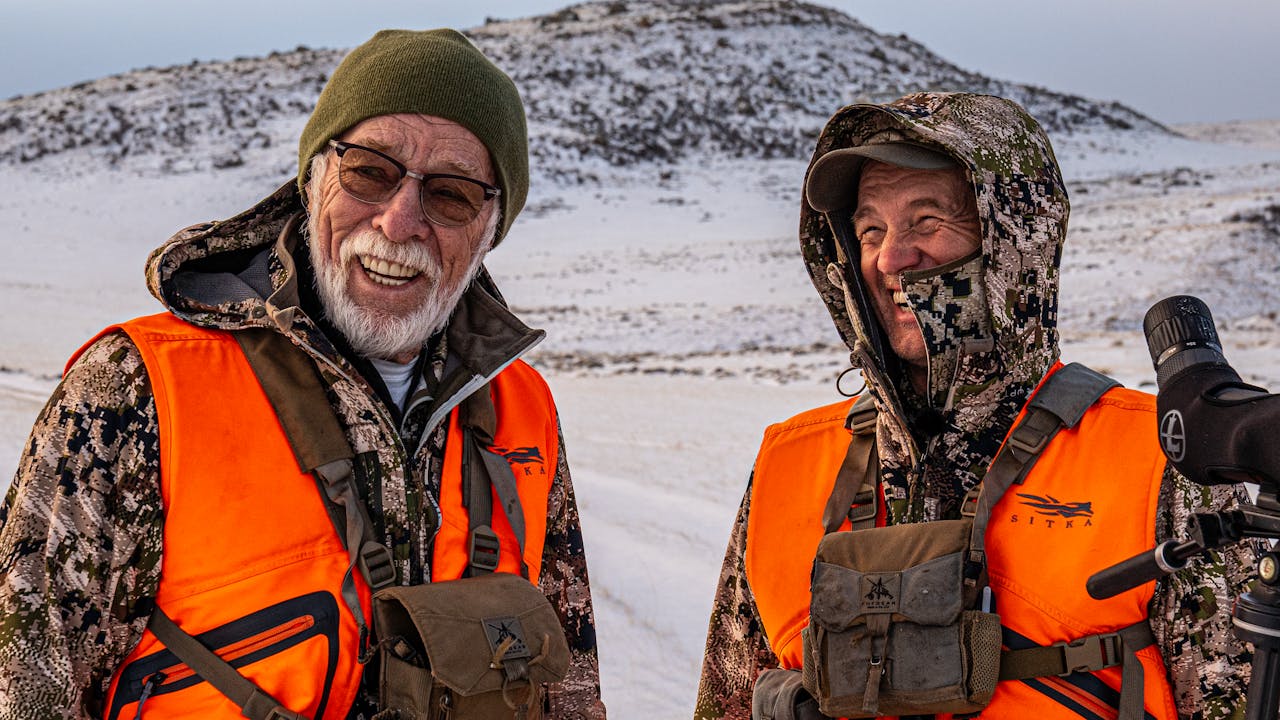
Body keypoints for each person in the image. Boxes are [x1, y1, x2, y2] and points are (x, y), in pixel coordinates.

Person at [0, 29, 606, 720]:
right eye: (370, 171)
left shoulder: (522, 407)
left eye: (452, 195)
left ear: (490, 227)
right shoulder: (136, 390)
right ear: (314, 176)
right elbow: (22, 687)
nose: (399, 221)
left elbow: (571, 687)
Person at [694, 92, 1258, 720]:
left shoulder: (1159, 460)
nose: (892, 259)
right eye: (871, 230)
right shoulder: (790, 463)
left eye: (927, 221)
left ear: (1015, 240)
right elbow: (727, 701)